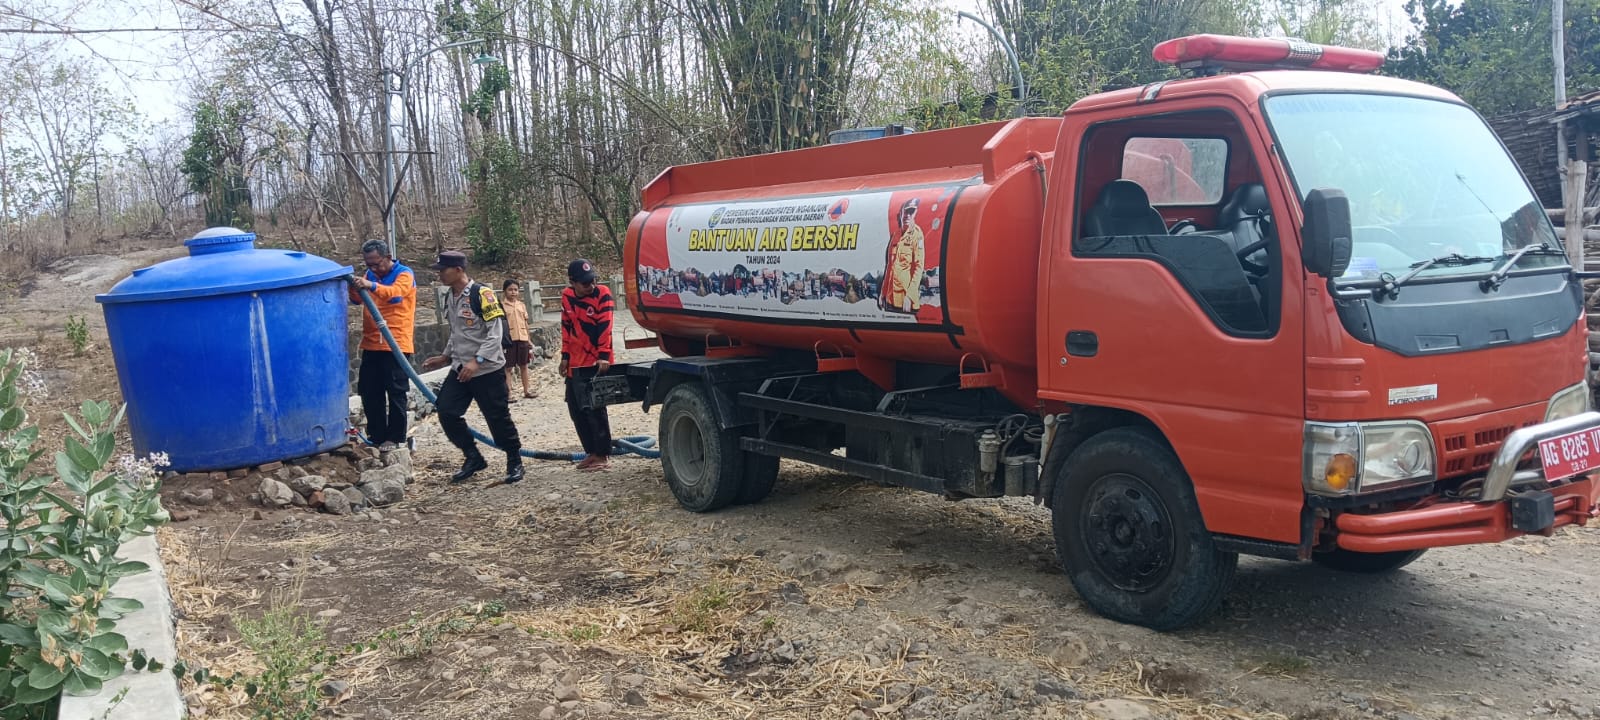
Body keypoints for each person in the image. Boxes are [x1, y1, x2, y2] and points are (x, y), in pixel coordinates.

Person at [421, 251, 524, 484]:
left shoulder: (483, 294)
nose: (439, 275)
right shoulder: (450, 296)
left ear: (458, 270)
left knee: (497, 417)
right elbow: (458, 331)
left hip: (486, 369)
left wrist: (476, 361)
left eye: (442, 270)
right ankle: (472, 455)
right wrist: (445, 356)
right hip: (460, 368)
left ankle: (514, 460)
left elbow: (494, 333)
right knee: (447, 411)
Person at [347, 239, 417, 450]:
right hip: (371, 344)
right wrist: (352, 286)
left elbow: (394, 293)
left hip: (396, 343)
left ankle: (395, 437)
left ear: (388, 258)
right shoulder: (369, 275)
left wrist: (371, 285)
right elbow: (358, 299)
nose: (373, 268)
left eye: (377, 264)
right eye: (369, 264)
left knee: (395, 391)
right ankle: (377, 436)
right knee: (369, 391)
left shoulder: (405, 274)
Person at [560, 259, 614, 472]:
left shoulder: (603, 294)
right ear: (572, 282)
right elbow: (566, 326)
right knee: (575, 408)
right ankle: (590, 451)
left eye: (592, 280)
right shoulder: (567, 296)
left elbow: (605, 326)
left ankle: (602, 454)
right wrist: (564, 356)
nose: (590, 285)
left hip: (595, 361)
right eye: (584, 283)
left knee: (595, 408)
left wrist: (603, 356)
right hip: (575, 362)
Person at [879, 197, 926, 314]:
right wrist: (883, 293)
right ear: (901, 213)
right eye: (906, 211)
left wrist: (909, 296)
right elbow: (890, 266)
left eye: (911, 212)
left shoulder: (917, 235)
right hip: (891, 299)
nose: (907, 215)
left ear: (915, 213)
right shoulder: (896, 235)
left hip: (906, 301)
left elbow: (919, 267)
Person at [502, 278, 536, 400]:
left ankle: (527, 391)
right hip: (509, 340)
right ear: (504, 291)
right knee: (508, 368)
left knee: (524, 365)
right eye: (510, 289)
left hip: (522, 338)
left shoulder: (521, 305)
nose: (513, 292)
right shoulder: (501, 307)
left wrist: (529, 339)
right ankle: (509, 394)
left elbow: (526, 324)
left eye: (515, 290)